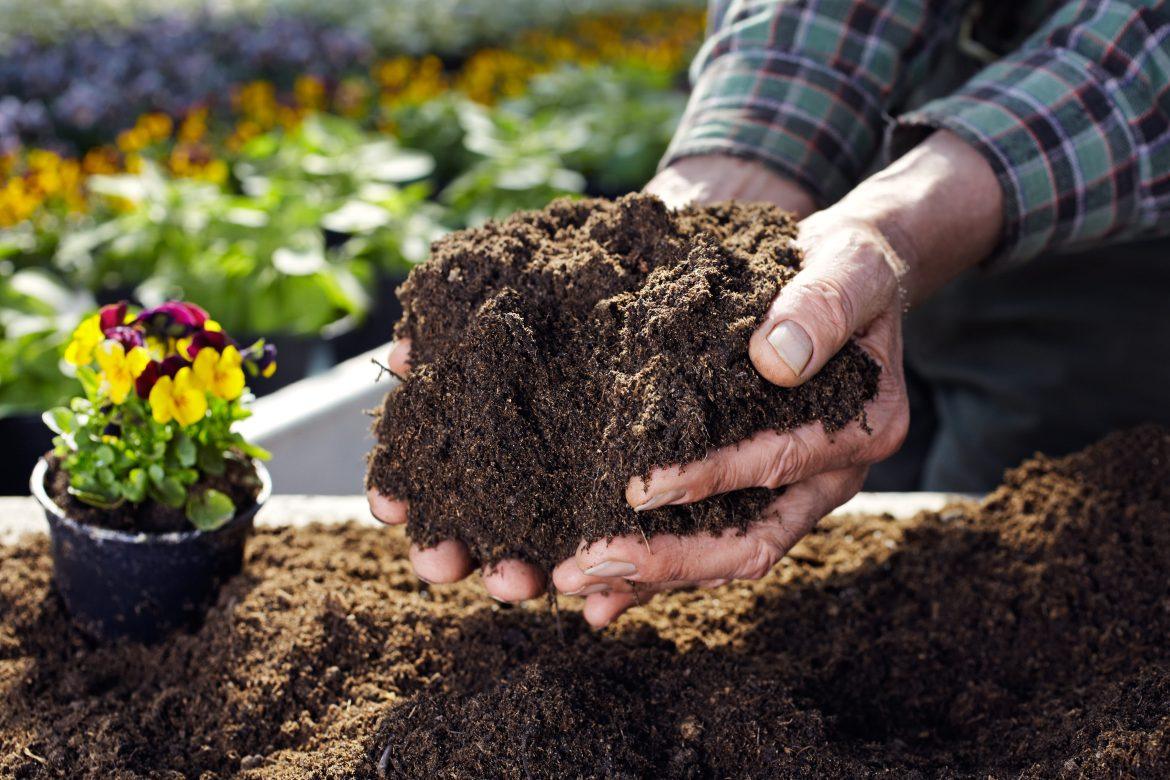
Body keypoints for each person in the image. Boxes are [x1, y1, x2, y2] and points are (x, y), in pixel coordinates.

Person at [369, 1, 1170, 627]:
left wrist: (907, 216)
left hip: (1111, 214)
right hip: (874, 188)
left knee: (1010, 572)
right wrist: (751, 156)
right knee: (828, 498)